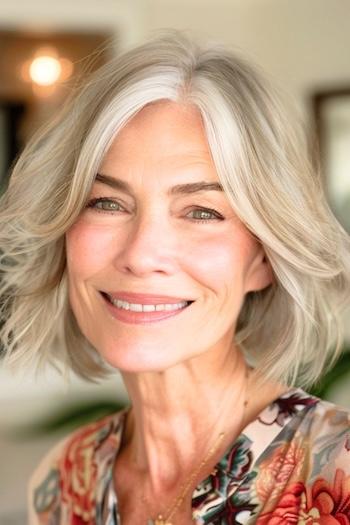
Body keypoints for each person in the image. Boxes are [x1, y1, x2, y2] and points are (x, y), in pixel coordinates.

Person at [1, 30, 350, 525]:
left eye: (202, 212)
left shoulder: (339, 475)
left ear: (264, 257)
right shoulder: (61, 483)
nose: (142, 255)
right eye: (106, 202)